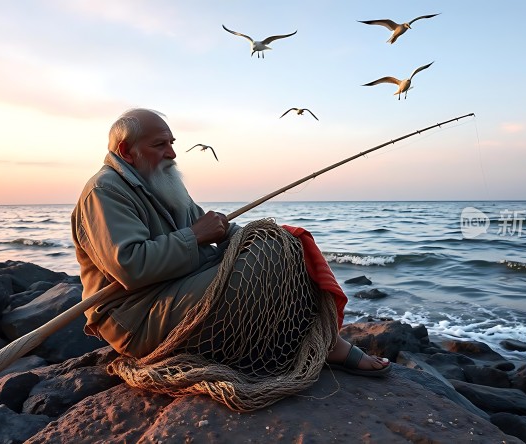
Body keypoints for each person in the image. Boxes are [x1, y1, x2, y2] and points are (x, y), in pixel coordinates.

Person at [71, 108, 390, 384]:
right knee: (264, 261)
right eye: (160, 145)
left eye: (172, 143)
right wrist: (195, 235)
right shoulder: (104, 190)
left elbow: (214, 232)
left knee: (285, 243)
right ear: (126, 151)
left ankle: (322, 341)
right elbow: (131, 266)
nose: (172, 153)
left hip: (175, 289)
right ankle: (313, 345)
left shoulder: (159, 179)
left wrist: (249, 235)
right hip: (138, 317)